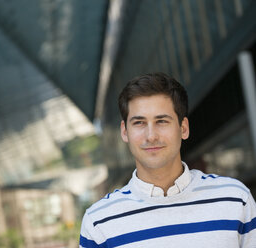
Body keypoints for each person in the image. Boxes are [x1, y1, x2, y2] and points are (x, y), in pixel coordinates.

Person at [79, 72, 256, 247]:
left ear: (183, 128)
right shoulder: (98, 222)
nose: (151, 136)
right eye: (139, 123)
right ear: (125, 132)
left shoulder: (235, 199)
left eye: (162, 121)